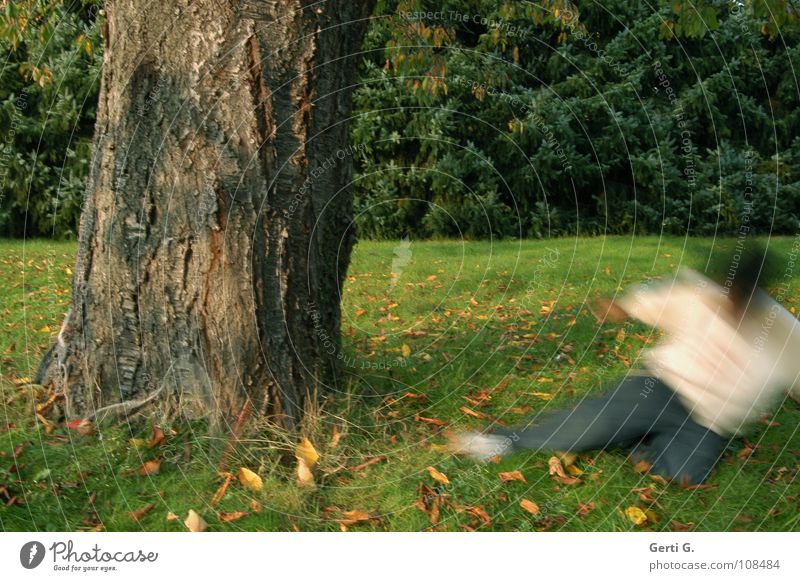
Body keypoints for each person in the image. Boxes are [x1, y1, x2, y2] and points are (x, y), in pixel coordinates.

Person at [453, 242, 800, 485]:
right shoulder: (702, 296)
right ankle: (503, 441)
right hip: (662, 388)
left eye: (740, 298)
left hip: (707, 422)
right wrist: (620, 306)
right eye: (728, 294)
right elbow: (652, 300)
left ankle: (636, 437)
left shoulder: (781, 331)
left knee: (685, 475)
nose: (730, 305)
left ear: (757, 295)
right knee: (591, 424)